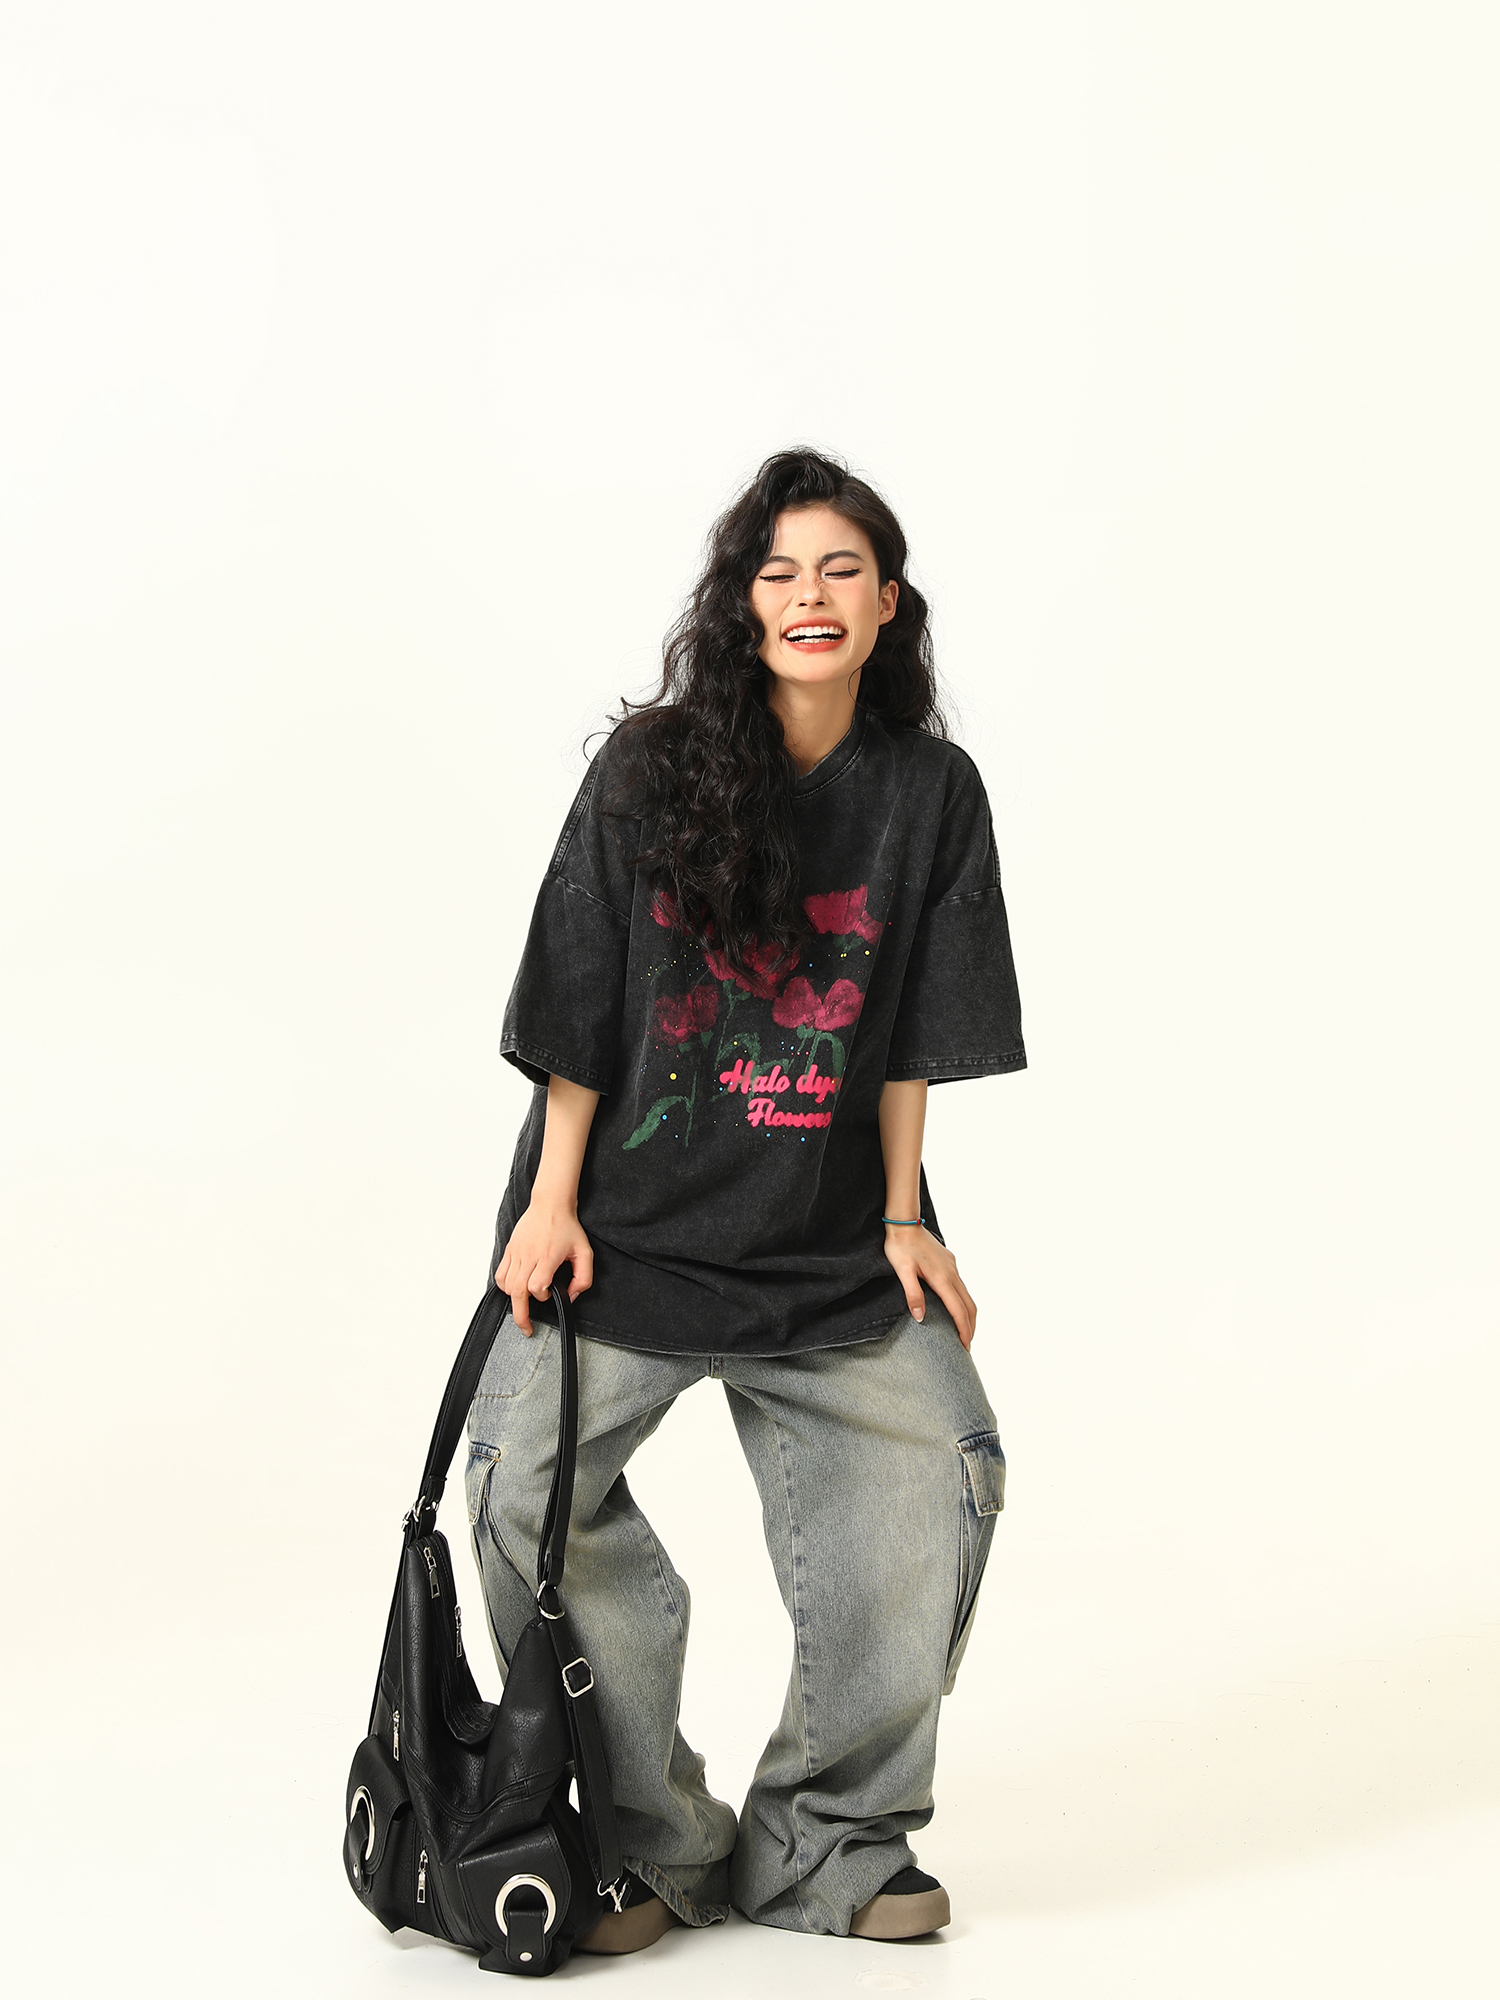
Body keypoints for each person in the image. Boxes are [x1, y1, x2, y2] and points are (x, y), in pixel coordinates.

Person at [465, 448, 1026, 1952]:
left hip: (828, 1246)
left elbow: (909, 1032)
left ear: (889, 602)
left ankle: (824, 1845)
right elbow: (577, 998)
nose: (810, 596)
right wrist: (549, 1205)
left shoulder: (929, 793)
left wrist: (906, 1218)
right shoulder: (650, 770)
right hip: (622, 1237)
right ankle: (643, 1841)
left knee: (941, 1468)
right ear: (742, 605)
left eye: (842, 569)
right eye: (778, 573)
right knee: (519, 1492)